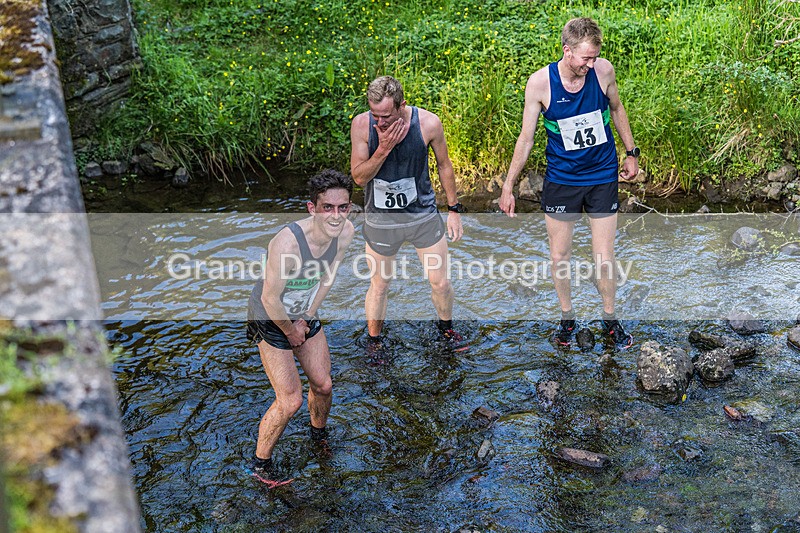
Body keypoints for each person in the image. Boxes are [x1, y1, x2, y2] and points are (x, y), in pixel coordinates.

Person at [498, 17, 638, 348]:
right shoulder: (540, 84)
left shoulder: (603, 72)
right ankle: (567, 318)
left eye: (595, 57)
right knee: (560, 256)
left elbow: (617, 109)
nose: (591, 64)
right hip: (562, 179)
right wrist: (508, 185)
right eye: (585, 58)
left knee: (604, 254)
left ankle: (610, 320)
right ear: (567, 50)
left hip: (602, 173)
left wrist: (631, 153)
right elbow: (527, 138)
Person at [246, 169, 355, 485]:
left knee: (323, 385)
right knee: (290, 399)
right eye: (327, 208)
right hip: (270, 313)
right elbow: (269, 297)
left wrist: (307, 316)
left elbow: (327, 276)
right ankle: (260, 467)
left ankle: (317, 434)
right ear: (313, 208)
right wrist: (291, 331)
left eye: (342, 207)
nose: (335, 216)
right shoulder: (288, 244)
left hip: (302, 308)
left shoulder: (345, 233)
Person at [350, 75, 468, 355]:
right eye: (375, 114)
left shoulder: (428, 123)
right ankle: (375, 342)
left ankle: (446, 329)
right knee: (379, 285)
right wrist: (383, 149)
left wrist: (453, 210)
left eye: (386, 116)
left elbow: (444, 166)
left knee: (440, 282)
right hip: (380, 220)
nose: (380, 122)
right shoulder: (361, 125)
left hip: (422, 216)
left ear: (402, 105)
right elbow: (358, 177)